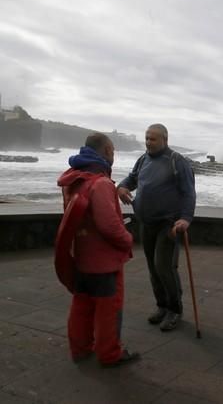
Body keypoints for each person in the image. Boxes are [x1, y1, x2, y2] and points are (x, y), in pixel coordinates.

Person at [57, 133, 139, 367]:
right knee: (108, 310)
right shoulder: (100, 183)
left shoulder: (73, 179)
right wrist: (127, 238)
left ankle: (80, 349)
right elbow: (109, 226)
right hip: (103, 261)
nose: (113, 156)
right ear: (105, 151)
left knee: (82, 304)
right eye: (112, 151)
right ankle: (110, 354)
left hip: (81, 256)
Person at [117, 124, 196, 331]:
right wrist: (122, 187)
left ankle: (174, 310)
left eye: (152, 139)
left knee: (164, 267)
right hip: (146, 222)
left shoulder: (176, 161)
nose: (148, 143)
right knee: (153, 268)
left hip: (168, 224)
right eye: (146, 138)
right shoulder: (143, 159)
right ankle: (162, 306)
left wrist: (186, 218)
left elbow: (189, 192)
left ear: (165, 139)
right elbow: (133, 178)